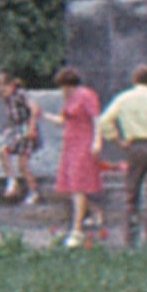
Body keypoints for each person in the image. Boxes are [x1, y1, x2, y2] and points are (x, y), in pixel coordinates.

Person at [97, 64, 147, 242]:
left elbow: (104, 121)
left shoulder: (124, 99)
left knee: (131, 192)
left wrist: (117, 140)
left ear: (134, 80)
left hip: (135, 147)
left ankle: (129, 235)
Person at [53, 67, 102, 245]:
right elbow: (62, 120)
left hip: (83, 143)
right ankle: (93, 213)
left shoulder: (86, 95)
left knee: (78, 185)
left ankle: (77, 229)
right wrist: (42, 115)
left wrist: (97, 141)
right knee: (72, 184)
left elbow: (96, 118)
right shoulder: (70, 98)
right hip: (71, 144)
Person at [0, 70, 38, 224]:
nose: (2, 92)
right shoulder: (7, 97)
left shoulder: (20, 94)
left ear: (12, 85)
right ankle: (14, 182)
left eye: (5, 88)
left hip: (26, 130)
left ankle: (28, 189)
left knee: (21, 163)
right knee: (8, 155)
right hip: (17, 130)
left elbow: (35, 110)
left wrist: (31, 127)